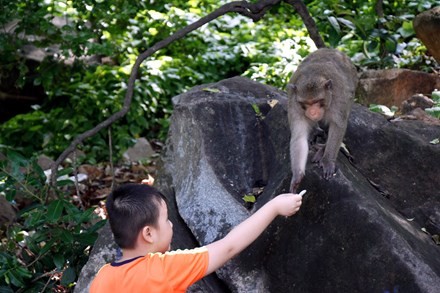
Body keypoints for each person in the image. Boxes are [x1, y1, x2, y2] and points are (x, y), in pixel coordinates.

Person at [90, 183, 302, 292]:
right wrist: (274, 207)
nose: (171, 224)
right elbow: (229, 246)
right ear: (148, 233)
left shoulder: (102, 279)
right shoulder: (164, 269)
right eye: (166, 220)